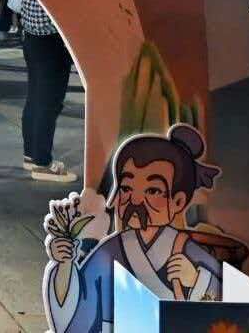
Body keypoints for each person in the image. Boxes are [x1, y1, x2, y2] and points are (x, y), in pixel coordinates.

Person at [46, 125, 223, 332]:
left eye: (153, 190)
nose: (136, 200)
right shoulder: (110, 252)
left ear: (178, 201)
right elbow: (81, 312)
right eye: (127, 188)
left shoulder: (187, 251)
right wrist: (65, 265)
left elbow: (227, 305)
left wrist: (196, 280)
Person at [18, 0, 77, 182]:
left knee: (35, 98)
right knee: (49, 103)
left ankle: (31, 154)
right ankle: (42, 163)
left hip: (32, 37)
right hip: (51, 40)